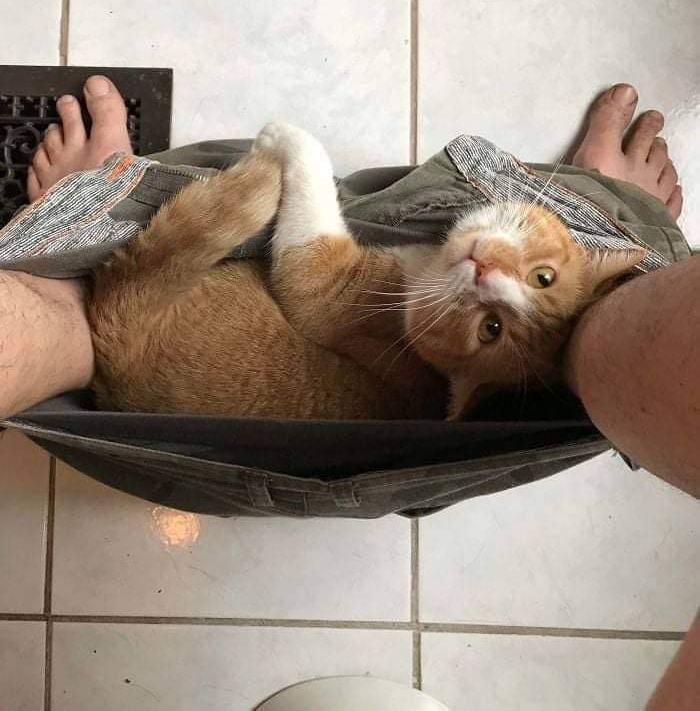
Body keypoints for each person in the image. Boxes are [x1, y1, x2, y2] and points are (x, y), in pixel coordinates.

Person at [0, 76, 697, 706]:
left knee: (177, 265)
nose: (491, 274)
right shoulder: (460, 337)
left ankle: (85, 232)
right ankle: (615, 237)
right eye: (544, 277)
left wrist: (302, 160)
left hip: (174, 322)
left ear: (459, 383)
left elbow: (314, 284)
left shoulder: (413, 343)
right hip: (165, 367)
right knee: (643, 317)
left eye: (490, 326)